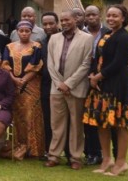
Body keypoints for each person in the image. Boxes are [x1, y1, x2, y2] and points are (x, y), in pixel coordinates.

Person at [83, 5, 128, 176]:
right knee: (101, 122)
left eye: (115, 16)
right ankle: (107, 159)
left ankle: (121, 162)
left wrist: (98, 77)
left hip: (118, 85)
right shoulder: (107, 34)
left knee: (119, 124)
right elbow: (98, 57)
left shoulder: (125, 38)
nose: (111, 18)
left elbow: (119, 63)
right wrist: (92, 73)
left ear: (123, 18)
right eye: (109, 15)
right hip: (101, 85)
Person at [44, 11, 92, 170]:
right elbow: (50, 63)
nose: (64, 23)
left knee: (76, 125)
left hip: (76, 88)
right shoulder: (54, 38)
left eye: (67, 20)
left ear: (75, 20)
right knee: (56, 125)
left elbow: (86, 64)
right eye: (62, 20)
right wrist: (60, 84)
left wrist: (69, 84)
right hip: (57, 89)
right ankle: (54, 156)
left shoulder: (87, 38)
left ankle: (76, 157)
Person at [1, 20, 45, 160]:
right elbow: (5, 64)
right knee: (17, 116)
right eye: (22, 31)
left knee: (31, 115)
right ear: (17, 32)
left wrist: (24, 79)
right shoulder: (9, 47)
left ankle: (34, 149)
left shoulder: (36, 46)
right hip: (13, 86)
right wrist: (14, 79)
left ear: (31, 32)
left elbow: (37, 65)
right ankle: (18, 145)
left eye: (27, 31)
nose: (24, 33)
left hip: (32, 86)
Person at [82, 5, 111, 166]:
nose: (91, 17)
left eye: (94, 14)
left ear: (99, 15)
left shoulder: (108, 33)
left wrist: (98, 76)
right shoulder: (80, 33)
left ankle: (104, 153)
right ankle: (90, 152)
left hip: (104, 80)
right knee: (88, 119)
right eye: (88, 15)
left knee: (103, 118)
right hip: (83, 80)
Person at [39, 11, 60, 158]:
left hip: (63, 86)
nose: (48, 26)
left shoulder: (64, 39)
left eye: (51, 23)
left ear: (57, 24)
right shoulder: (42, 43)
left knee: (63, 122)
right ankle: (49, 150)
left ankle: (68, 151)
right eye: (45, 24)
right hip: (46, 87)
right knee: (47, 120)